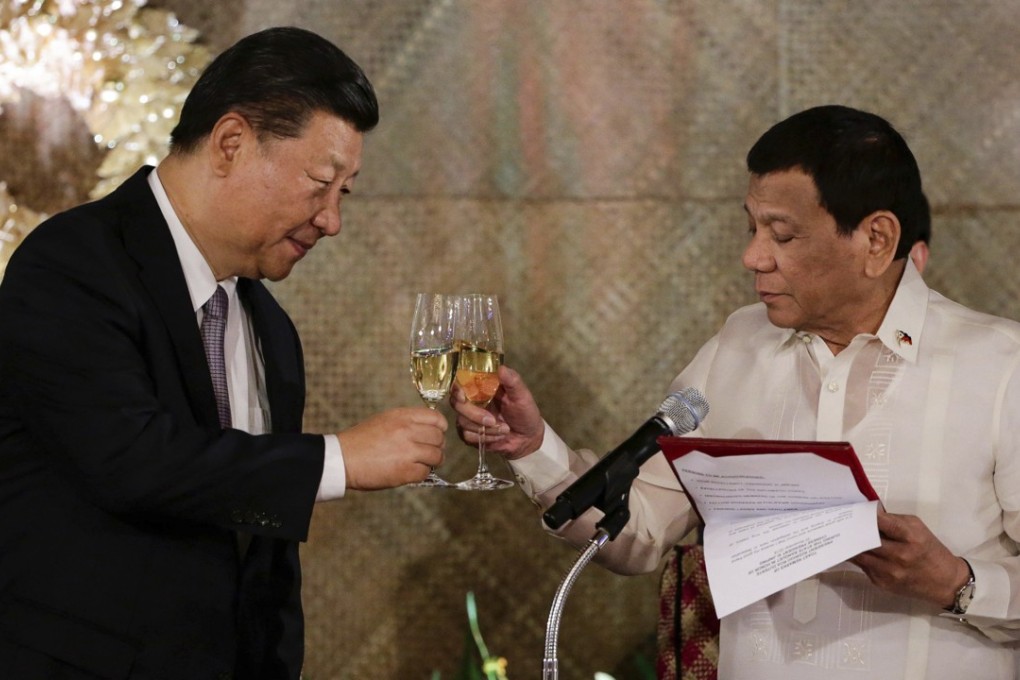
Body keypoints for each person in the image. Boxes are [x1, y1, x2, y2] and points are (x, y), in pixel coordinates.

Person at [452, 105, 1020, 678]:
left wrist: (959, 583)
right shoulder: (738, 345)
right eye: (752, 228)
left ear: (876, 239)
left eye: (783, 234)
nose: (753, 257)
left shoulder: (1001, 367)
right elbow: (637, 535)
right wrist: (532, 449)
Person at [0, 27, 447, 679]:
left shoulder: (271, 326)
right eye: (319, 184)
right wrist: (339, 458)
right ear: (232, 143)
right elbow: (132, 461)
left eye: (342, 193)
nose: (331, 220)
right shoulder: (71, 262)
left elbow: (259, 558)